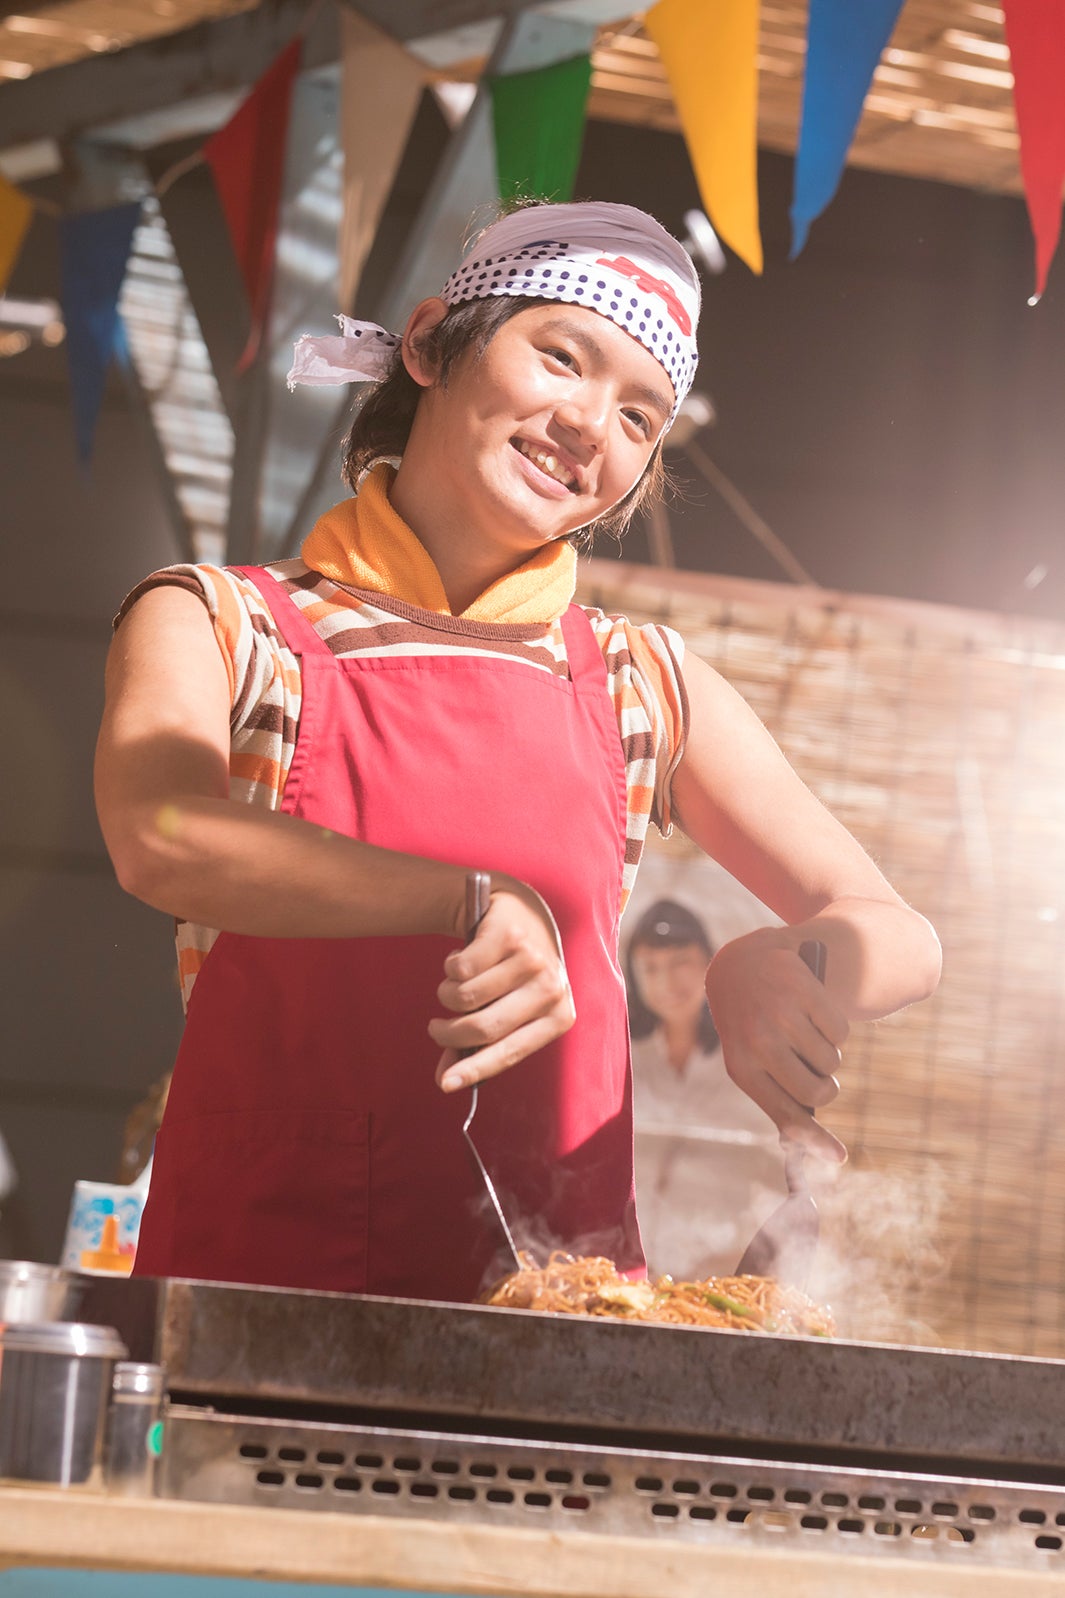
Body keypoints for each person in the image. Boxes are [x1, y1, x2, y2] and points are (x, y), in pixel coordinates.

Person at [95, 200, 941, 1305]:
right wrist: (465, 897)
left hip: (559, 1330)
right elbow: (160, 834)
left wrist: (791, 960)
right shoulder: (226, 624)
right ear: (432, 340)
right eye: (562, 357)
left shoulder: (645, 681)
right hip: (255, 1307)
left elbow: (903, 933)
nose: (594, 425)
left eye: (641, 417)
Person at [625, 898, 785, 1278]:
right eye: (650, 968)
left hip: (721, 1265)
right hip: (631, 1262)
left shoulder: (749, 1062)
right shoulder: (624, 1056)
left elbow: (776, 1168)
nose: (665, 982)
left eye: (680, 963)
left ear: (708, 964)